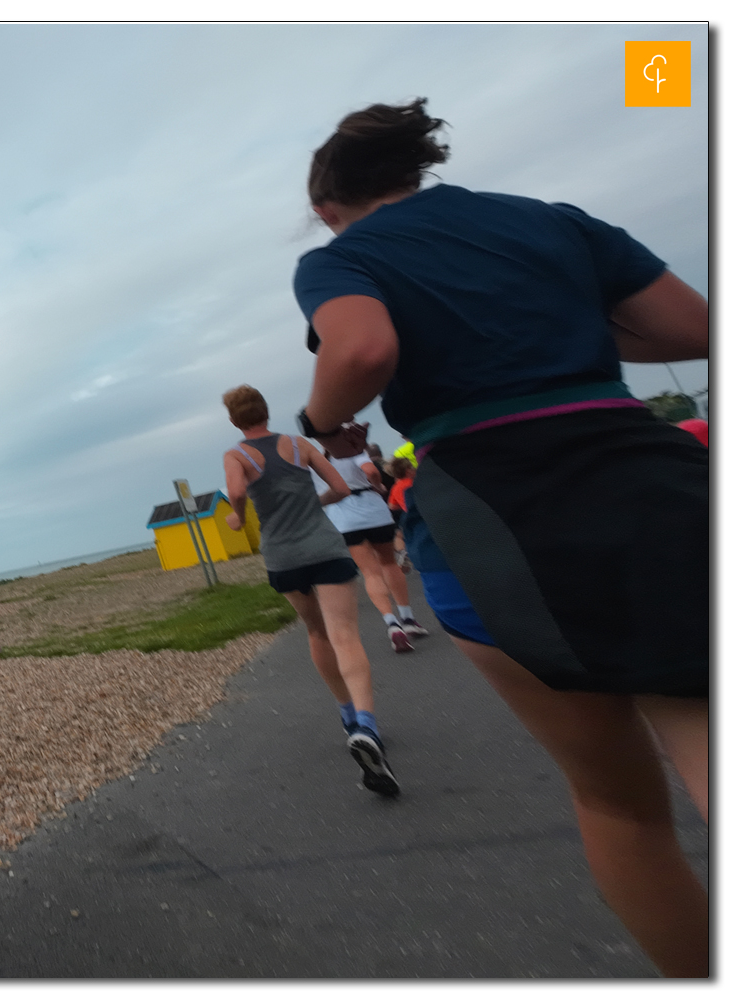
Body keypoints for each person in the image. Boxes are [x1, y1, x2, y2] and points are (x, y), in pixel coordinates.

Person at [292, 100, 708, 977]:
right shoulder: (549, 221)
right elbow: (692, 326)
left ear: (328, 206)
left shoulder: (342, 259)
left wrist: (320, 419)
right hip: (644, 474)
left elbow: (362, 350)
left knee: (620, 804)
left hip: (493, 504)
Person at [221, 386, 400, 796]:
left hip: (283, 556)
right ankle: (368, 726)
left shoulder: (236, 455)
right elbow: (340, 487)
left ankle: (347, 717)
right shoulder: (300, 445)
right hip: (323, 547)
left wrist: (237, 516)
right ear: (265, 411)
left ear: (234, 420)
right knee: (345, 634)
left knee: (317, 632)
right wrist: (312, 504)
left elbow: (236, 491)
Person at [310, 443, 428, 651]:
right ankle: (408, 619)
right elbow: (371, 470)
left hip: (344, 518)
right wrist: (379, 486)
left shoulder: (319, 461)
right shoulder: (353, 451)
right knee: (389, 564)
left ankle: (392, 624)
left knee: (370, 572)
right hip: (373, 512)